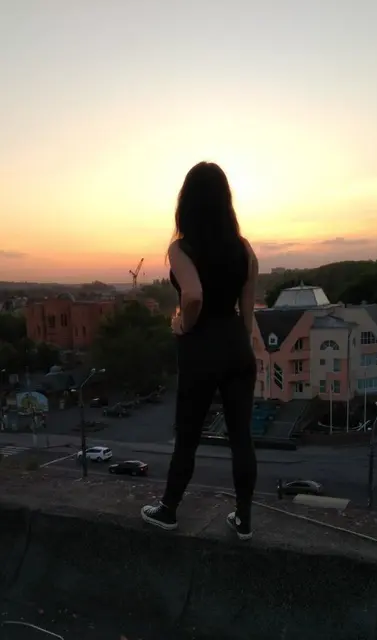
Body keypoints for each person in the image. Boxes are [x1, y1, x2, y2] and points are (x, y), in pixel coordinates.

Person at [141, 161, 258, 540]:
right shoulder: (244, 248)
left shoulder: (181, 248)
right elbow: (248, 309)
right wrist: (241, 346)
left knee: (188, 436)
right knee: (241, 438)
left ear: (186, 202)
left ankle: (169, 509)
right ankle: (244, 520)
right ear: (226, 201)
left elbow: (192, 295)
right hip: (237, 347)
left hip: (201, 350)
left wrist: (183, 325)